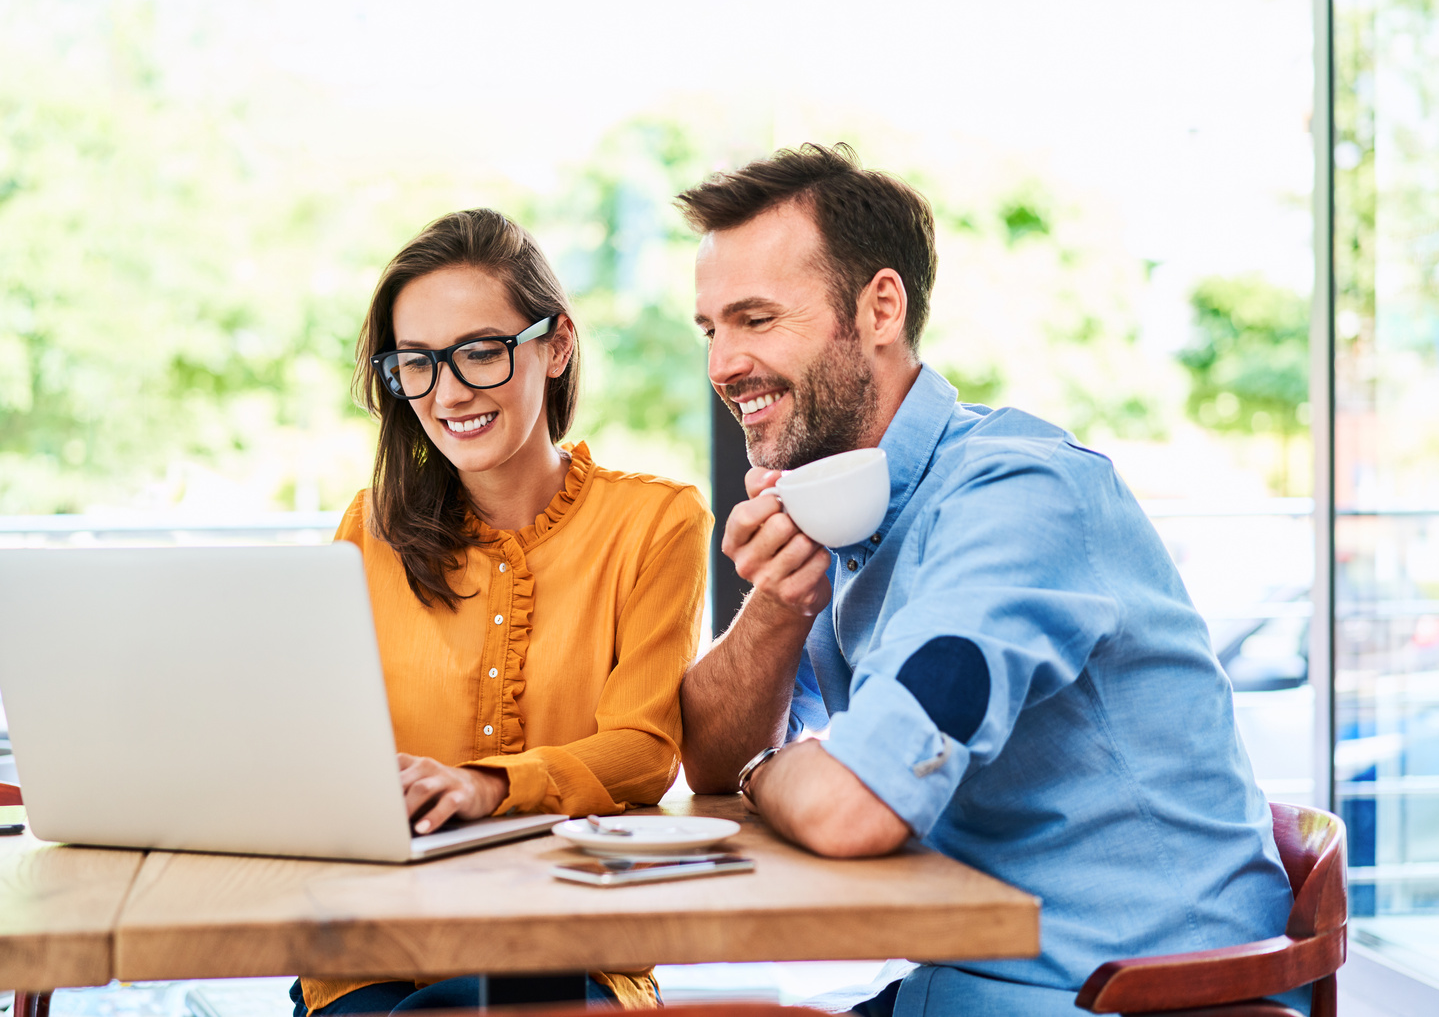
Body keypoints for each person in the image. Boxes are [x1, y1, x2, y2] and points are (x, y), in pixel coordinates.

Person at [676, 145, 1302, 1016]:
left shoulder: (1015, 499)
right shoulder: (848, 506)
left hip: (1140, 996)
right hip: (974, 982)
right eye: (711, 329)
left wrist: (767, 770)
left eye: (755, 319)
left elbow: (850, 808)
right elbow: (706, 756)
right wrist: (780, 603)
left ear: (880, 308)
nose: (722, 364)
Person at [292, 208, 712, 1016]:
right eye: (416, 363)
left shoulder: (656, 523)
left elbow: (643, 751)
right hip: (377, 947)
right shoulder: (366, 528)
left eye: (480, 352)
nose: (448, 393)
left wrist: (491, 786)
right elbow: (323, 737)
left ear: (554, 347)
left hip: (575, 942)